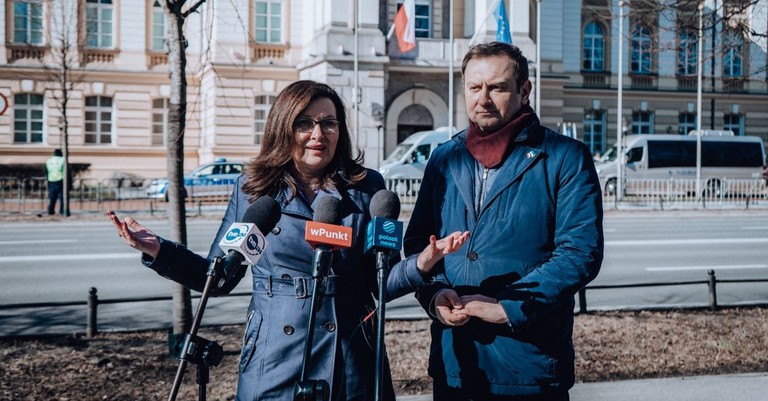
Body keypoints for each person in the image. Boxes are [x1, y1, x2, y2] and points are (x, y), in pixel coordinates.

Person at [107, 80, 468, 401]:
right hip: (276, 355)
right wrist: (159, 250)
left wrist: (422, 263)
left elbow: (382, 283)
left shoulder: (367, 187)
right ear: (284, 128)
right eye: (304, 123)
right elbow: (218, 277)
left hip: (352, 354)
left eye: (329, 123)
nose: (318, 134)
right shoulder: (253, 191)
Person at [404, 42, 604, 401]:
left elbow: (580, 252)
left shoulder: (565, 156)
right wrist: (434, 294)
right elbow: (419, 243)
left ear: (524, 91)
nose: (483, 99)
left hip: (527, 363)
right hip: (456, 362)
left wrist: (508, 306)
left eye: (496, 87)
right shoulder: (444, 158)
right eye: (474, 87)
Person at [45, 149, 65, 215]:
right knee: (62, 197)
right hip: (60, 180)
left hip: (51, 180)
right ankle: (62, 211)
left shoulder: (49, 160)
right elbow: (67, 172)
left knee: (52, 197)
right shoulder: (63, 160)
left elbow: (46, 172)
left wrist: (48, 179)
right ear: (61, 153)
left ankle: (51, 210)